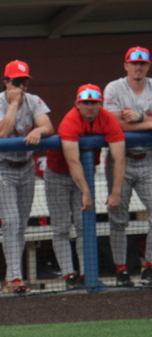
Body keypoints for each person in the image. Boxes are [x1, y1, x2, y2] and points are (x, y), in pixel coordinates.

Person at [44, 85, 126, 289]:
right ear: (77, 104)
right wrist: (86, 192)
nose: (89, 107)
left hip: (85, 174)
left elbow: (119, 157)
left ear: (100, 104)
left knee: (83, 227)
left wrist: (115, 192)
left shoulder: (107, 119)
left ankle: (86, 274)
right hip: (58, 175)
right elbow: (73, 161)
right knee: (62, 227)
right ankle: (68, 275)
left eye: (94, 103)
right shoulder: (70, 121)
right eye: (85, 103)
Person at [0, 61, 54, 293]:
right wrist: (13, 104)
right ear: (6, 82)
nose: (21, 86)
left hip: (26, 166)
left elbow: (48, 126)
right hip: (1, 166)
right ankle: (14, 276)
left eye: (24, 82)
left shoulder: (33, 100)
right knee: (12, 220)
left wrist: (38, 130)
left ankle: (12, 276)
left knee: (21, 224)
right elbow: (2, 131)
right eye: (16, 82)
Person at [103, 46, 152, 287]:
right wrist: (149, 124)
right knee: (118, 219)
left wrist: (140, 118)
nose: (138, 67)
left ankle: (150, 267)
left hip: (148, 159)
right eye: (134, 63)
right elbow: (113, 124)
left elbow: (128, 123)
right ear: (126, 65)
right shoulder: (114, 87)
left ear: (148, 66)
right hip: (119, 160)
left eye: (142, 63)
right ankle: (121, 269)